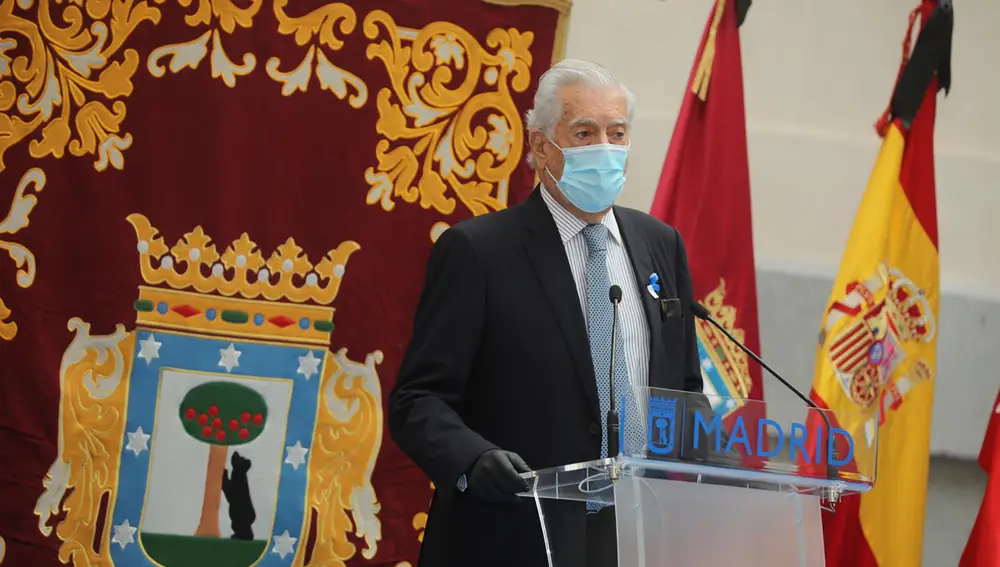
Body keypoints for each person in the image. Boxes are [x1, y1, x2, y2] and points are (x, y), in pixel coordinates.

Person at [388, 59, 705, 567]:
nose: (605, 148)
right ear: (540, 147)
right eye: (584, 132)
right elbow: (418, 399)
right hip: (512, 536)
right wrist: (474, 458)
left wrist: (719, 450)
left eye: (616, 133)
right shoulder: (479, 251)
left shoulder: (660, 244)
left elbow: (684, 386)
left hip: (637, 536)